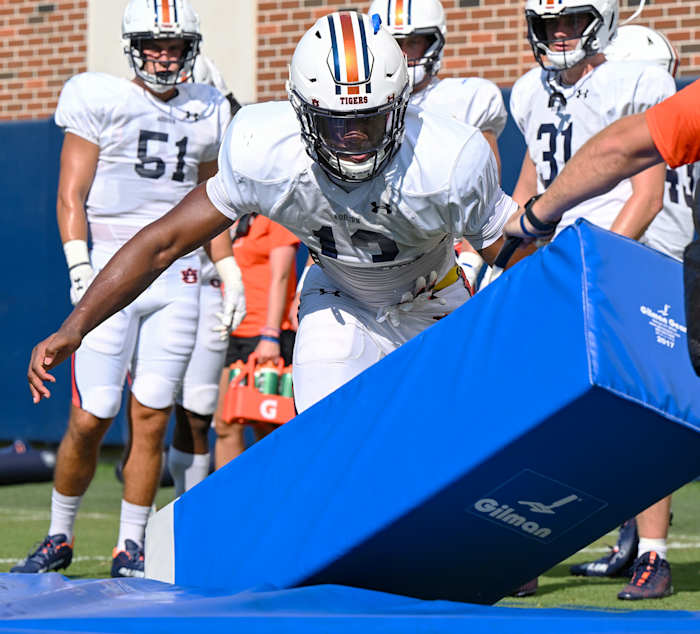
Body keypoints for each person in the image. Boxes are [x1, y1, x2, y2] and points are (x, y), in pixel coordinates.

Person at [27, 9, 515, 465]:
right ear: (299, 110)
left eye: (369, 118)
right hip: (341, 297)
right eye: (334, 121)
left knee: (447, 447)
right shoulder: (265, 149)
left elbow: (515, 254)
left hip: (433, 295)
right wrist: (77, 324)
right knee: (333, 442)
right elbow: (162, 243)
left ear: (400, 107)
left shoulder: (449, 156)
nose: (353, 138)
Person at [13, 0, 238, 578]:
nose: (164, 55)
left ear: (191, 49)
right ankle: (59, 533)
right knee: (93, 414)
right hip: (110, 267)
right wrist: (77, 267)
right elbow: (72, 194)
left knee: (153, 416)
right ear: (133, 45)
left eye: (174, 45)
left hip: (182, 276)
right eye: (153, 44)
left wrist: (227, 267)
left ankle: (129, 545)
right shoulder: (98, 97)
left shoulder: (211, 106)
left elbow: (213, 202)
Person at [508, 0, 677, 600]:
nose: (558, 32)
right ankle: (523, 549)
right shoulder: (529, 91)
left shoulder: (635, 80)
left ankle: (652, 553)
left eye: (571, 19)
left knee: (635, 413)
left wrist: (604, 264)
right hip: (560, 264)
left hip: (619, 261)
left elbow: (648, 192)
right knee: (538, 412)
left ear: (599, 21)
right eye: (549, 21)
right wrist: (502, 253)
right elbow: (531, 187)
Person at [566, 24, 695, 598]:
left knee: (649, 418)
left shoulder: (657, 118)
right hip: (664, 265)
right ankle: (633, 542)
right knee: (630, 417)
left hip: (663, 267)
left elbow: (648, 195)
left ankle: (652, 553)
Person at [368, 0, 508, 290]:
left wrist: (471, 256)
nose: (403, 54)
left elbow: (485, 193)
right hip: (378, 258)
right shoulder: (361, 109)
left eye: (413, 41)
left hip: (447, 252)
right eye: (394, 43)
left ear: (433, 43)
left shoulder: (467, 99)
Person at [167, 57, 244, 498]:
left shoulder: (239, 152)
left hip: (211, 281)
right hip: (166, 277)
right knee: (156, 405)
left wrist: (230, 272)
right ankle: (133, 531)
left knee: (198, 409)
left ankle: (185, 509)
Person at [212, 214, 300, 469]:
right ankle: (229, 500)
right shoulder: (233, 215)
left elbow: (280, 276)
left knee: (270, 428)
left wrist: (270, 335)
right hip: (237, 333)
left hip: (267, 335)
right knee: (225, 423)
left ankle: (277, 497)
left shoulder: (274, 214)